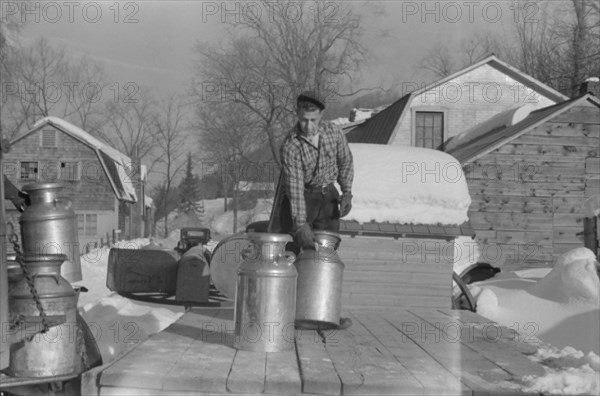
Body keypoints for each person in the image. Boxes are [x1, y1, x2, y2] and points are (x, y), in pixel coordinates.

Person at [279, 91, 354, 330]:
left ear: (322, 115)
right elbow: (294, 187)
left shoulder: (334, 132)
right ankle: (286, 314)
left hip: (328, 195)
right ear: (297, 116)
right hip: (302, 197)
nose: (308, 125)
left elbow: (346, 161)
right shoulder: (291, 145)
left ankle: (325, 312)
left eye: (313, 120)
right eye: (303, 120)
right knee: (293, 253)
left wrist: (347, 191)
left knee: (327, 253)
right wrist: (301, 224)